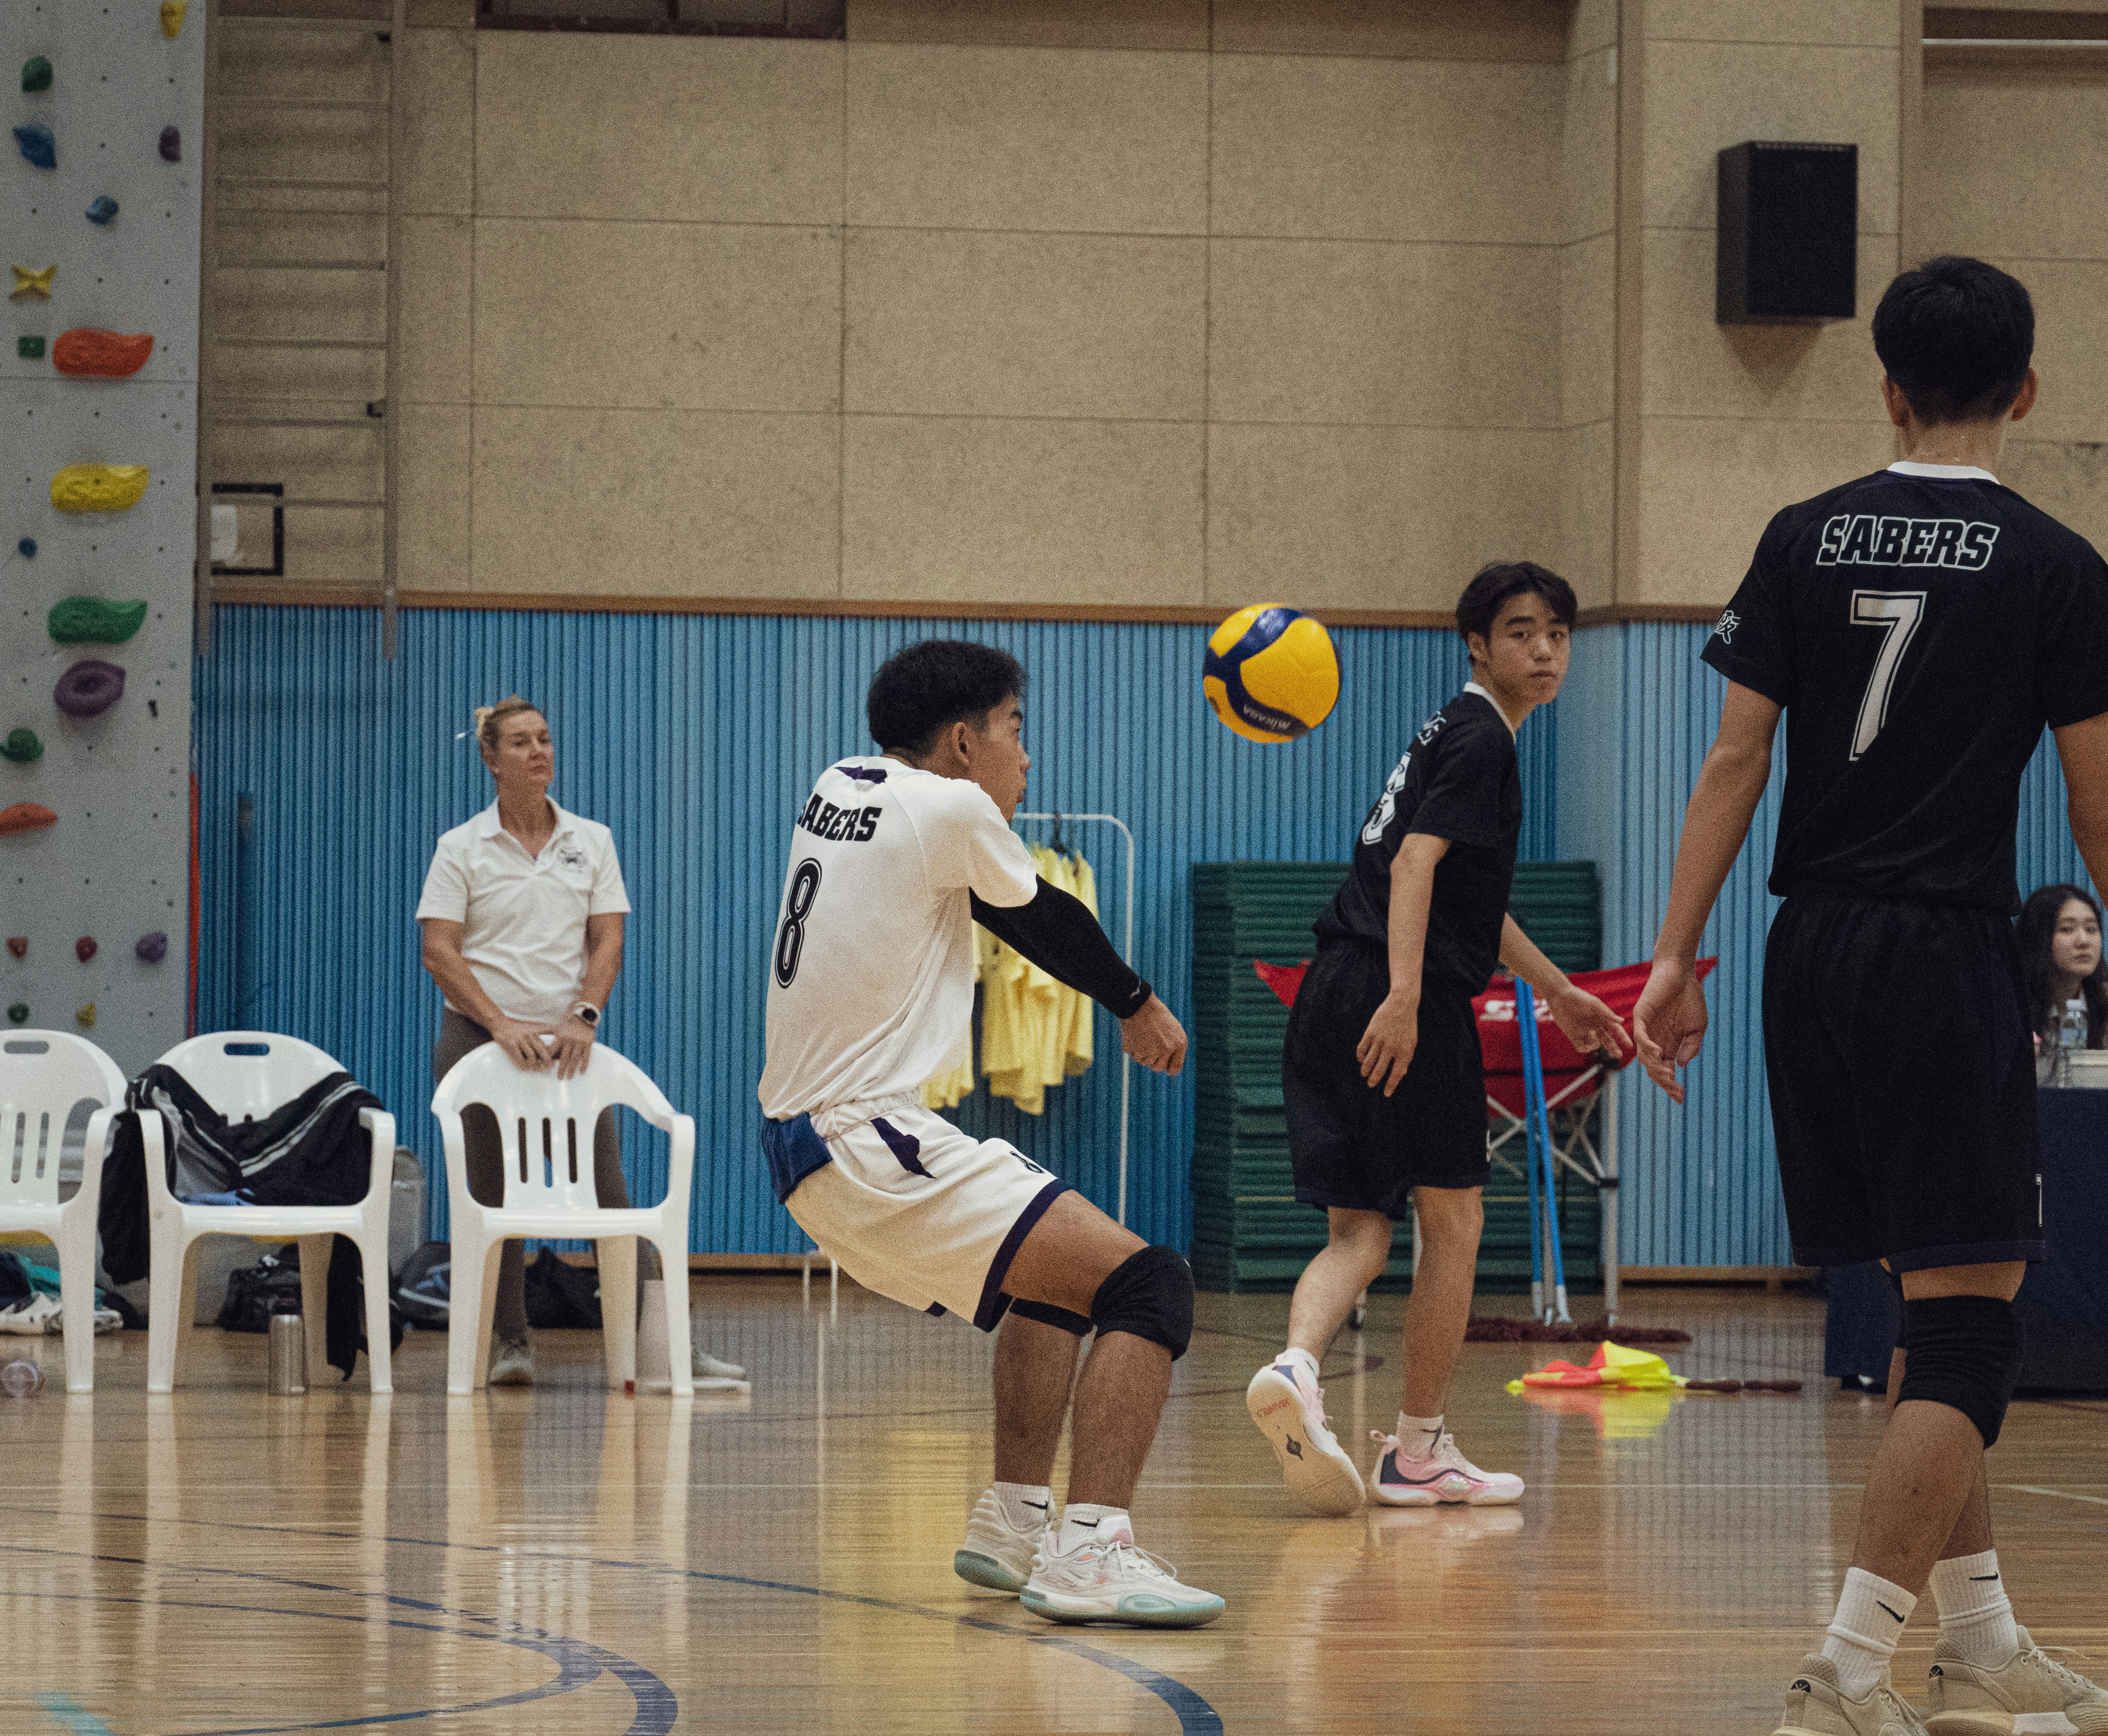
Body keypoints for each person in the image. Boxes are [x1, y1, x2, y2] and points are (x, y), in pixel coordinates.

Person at [1629, 256, 2108, 1736]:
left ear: (1883, 385)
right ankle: (1845, 1667)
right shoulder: (2052, 561)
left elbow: (1731, 764)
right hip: (1941, 952)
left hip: (1804, 946)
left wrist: (1677, 954)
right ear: (2027, 389)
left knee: (1932, 1295)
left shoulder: (1800, 534)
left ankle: (1981, 1640)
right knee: (1969, 1327)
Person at [756, 640, 1218, 1629]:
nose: (1026, 758)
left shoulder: (840, 782)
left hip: (814, 1142)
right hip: (864, 1137)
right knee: (1150, 1283)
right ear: (962, 742)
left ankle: (1013, 1521)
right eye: (1016, 730)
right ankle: (1092, 1548)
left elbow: (1001, 911)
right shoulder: (951, 807)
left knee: (1054, 1281)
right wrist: (1135, 1003)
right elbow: (1044, 914)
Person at [1247, 561, 1629, 1517]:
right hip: (1390, 989)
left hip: (1331, 983)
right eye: (1520, 633)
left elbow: (1469, 901)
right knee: (1454, 1221)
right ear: (1477, 645)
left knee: (1359, 1229)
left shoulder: (1446, 737)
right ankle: (1418, 1449)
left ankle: (1296, 1365)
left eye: (1557, 634)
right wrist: (1411, 996)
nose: (1543, 651)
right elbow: (1416, 867)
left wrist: (1563, 993)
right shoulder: (1484, 742)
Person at [417, 697, 744, 1388]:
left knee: (611, 1193)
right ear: (490, 758)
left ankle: (664, 1346)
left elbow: (609, 938)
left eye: (545, 739)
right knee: (492, 1195)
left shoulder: (591, 841)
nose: (538, 751)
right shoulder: (461, 847)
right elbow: (440, 950)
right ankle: (509, 1344)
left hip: (571, 1045)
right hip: (479, 1041)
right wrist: (500, 1025)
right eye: (519, 743)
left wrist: (584, 1015)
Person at [2012, 884, 2108, 1057]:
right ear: (2038, 938)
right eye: (2067, 929)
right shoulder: (2013, 1000)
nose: (2084, 941)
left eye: (2091, 929)